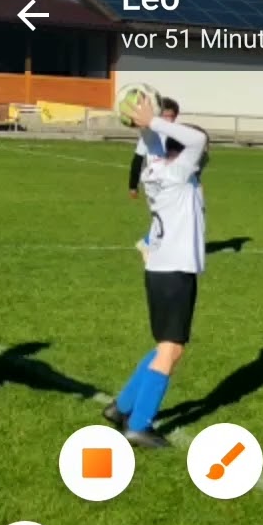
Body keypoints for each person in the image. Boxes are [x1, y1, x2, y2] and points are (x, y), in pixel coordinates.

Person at [103, 94, 209, 448]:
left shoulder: (155, 168)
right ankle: (139, 424)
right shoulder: (179, 173)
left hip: (159, 270)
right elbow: (199, 139)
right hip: (175, 271)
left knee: (164, 345)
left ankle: (121, 406)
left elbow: (154, 144)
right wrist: (154, 122)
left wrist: (146, 125)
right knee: (172, 350)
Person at [132, 97, 182, 262]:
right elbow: (137, 159)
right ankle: (148, 245)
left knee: (168, 214)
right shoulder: (150, 134)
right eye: (165, 116)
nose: (168, 119)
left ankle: (150, 243)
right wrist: (133, 185)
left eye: (171, 116)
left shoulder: (175, 134)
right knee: (162, 214)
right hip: (153, 181)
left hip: (169, 180)